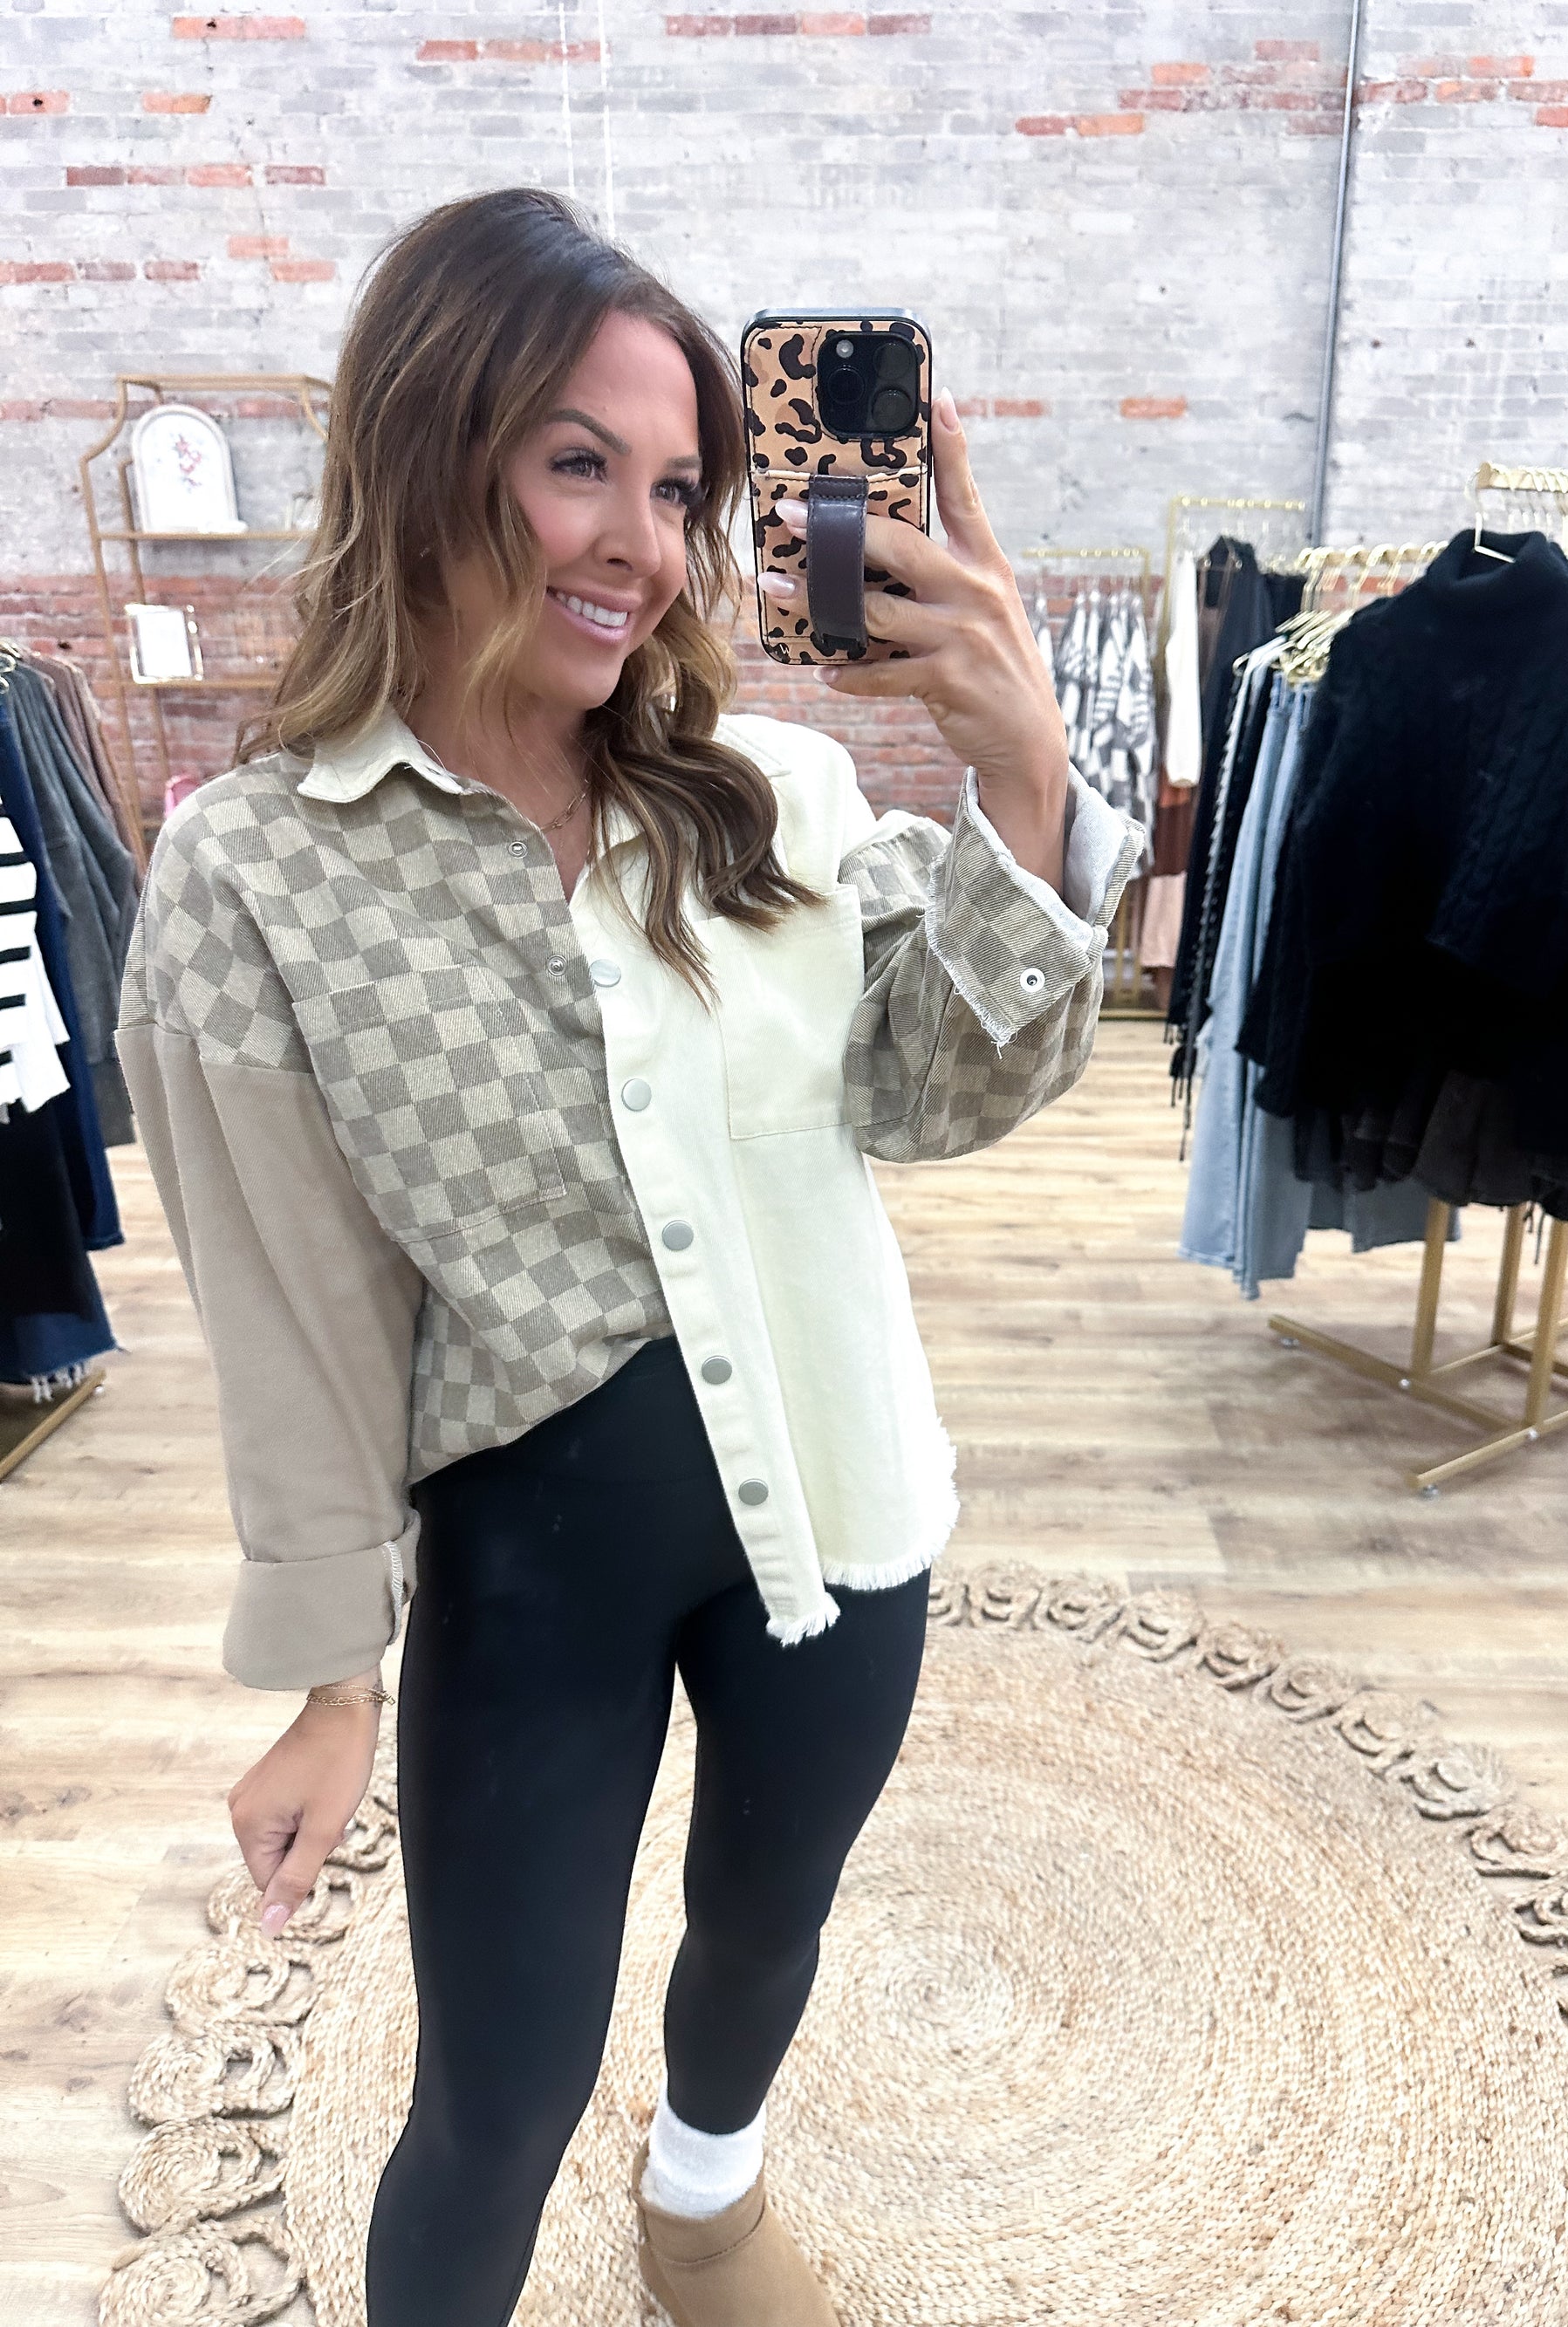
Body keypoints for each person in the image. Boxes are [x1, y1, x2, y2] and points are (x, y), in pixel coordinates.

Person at [117, 186, 1144, 2327]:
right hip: (532, 1560)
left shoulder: (766, 794)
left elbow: (934, 1093)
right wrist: (329, 1676)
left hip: (840, 1501)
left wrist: (1025, 778)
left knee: (765, 1924)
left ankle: (703, 2204)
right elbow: (295, 1314)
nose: (644, 544)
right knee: (493, 2091)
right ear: (428, 448)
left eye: (678, 488)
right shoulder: (259, 873)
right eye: (579, 462)